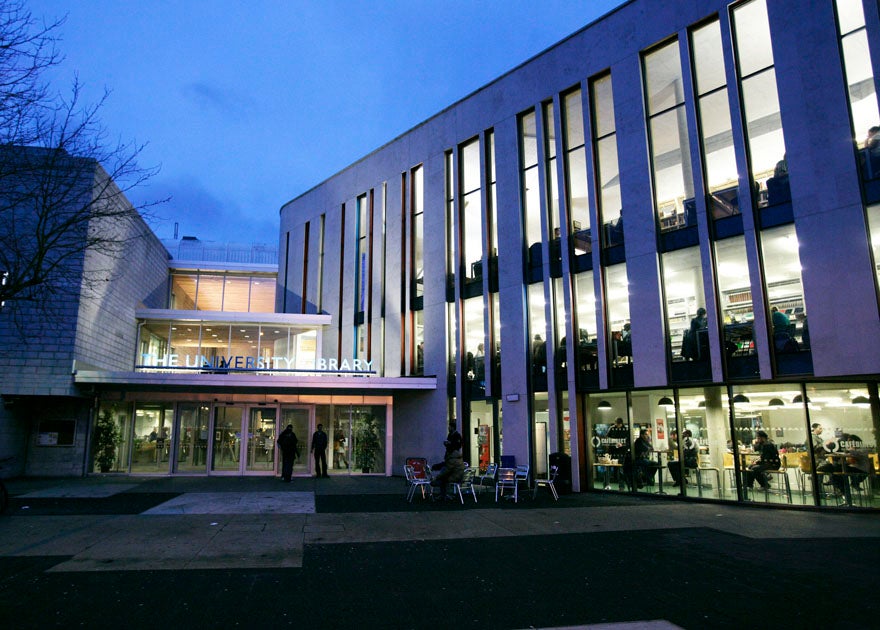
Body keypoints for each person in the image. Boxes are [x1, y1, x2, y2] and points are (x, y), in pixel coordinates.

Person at [816, 433, 870, 499]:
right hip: (853, 468)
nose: (848, 444)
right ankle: (840, 487)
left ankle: (840, 488)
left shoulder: (862, 449)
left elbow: (852, 453)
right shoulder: (856, 450)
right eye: (848, 442)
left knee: (837, 469)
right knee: (835, 468)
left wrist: (848, 450)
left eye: (850, 442)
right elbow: (849, 456)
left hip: (860, 470)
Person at [431, 422, 465, 500]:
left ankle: (443, 494)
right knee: (443, 474)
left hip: (455, 477)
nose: (448, 428)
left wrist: (437, 477)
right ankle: (444, 494)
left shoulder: (457, 436)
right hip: (456, 474)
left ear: (452, 427)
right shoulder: (457, 458)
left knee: (443, 478)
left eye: (449, 427)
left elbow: (447, 469)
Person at [605, 417, 630, 489]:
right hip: (613, 451)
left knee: (619, 469)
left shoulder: (615, 429)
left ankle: (621, 486)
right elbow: (606, 438)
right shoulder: (613, 428)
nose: (617, 425)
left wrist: (621, 444)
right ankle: (608, 485)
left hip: (620, 451)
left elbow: (628, 441)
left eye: (618, 424)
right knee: (610, 468)